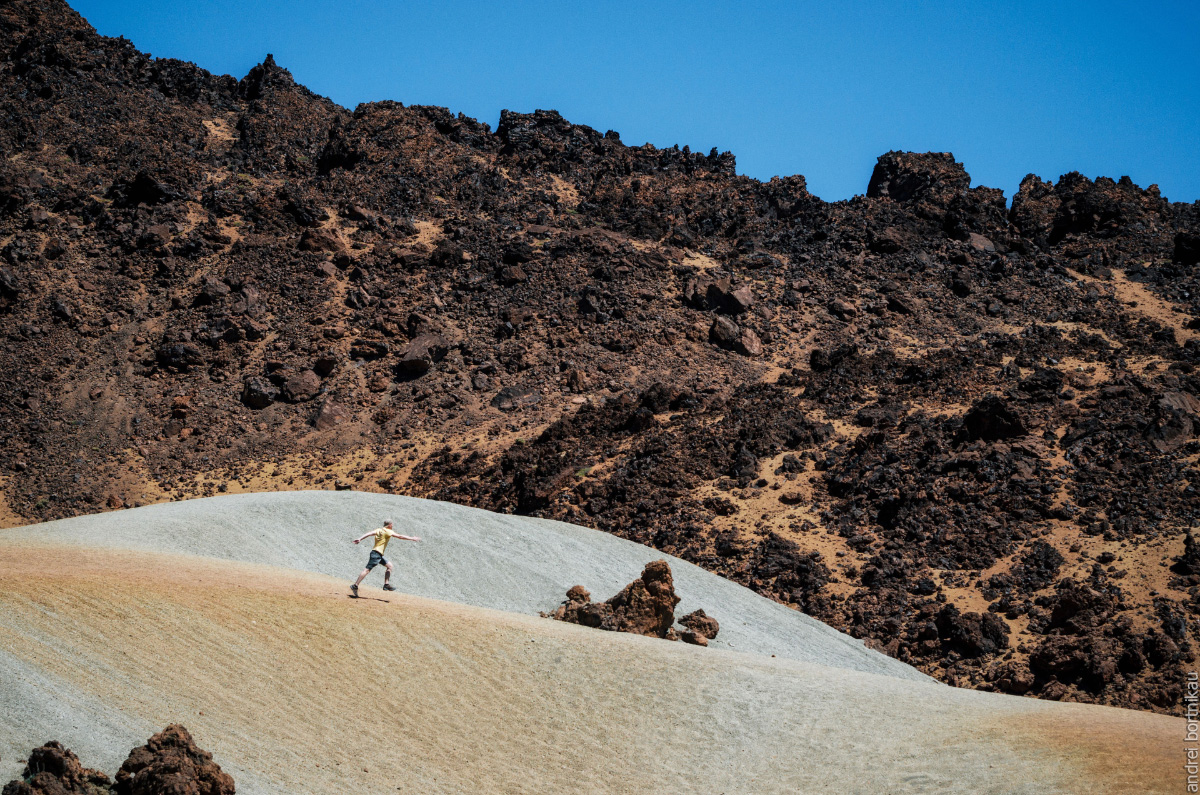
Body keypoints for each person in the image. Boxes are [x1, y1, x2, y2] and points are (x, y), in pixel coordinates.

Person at [350, 521, 420, 596]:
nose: (392, 526)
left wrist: (360, 539)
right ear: (389, 525)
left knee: (389, 566)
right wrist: (412, 538)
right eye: (392, 524)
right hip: (376, 554)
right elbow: (400, 536)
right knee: (367, 570)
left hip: (378, 554)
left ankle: (386, 585)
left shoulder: (379, 530)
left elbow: (369, 533)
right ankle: (355, 585)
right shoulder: (388, 531)